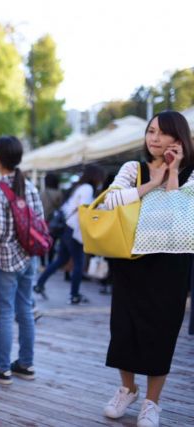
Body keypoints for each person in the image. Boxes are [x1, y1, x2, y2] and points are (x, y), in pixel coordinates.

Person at [101, 111, 194, 427]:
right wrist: (150, 182)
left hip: (171, 263)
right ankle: (127, 389)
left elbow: (179, 212)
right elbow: (109, 203)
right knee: (124, 329)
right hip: (131, 259)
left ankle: (152, 403)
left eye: (162, 133)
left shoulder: (192, 173)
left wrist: (172, 173)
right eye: (150, 131)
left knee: (161, 333)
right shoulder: (133, 168)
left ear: (178, 139)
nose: (153, 138)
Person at [0, 136, 41, 384]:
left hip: (6, 260)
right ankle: (25, 364)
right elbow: (39, 222)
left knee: (5, 312)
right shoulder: (31, 186)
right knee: (25, 309)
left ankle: (3, 368)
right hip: (30, 257)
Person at [34, 164, 105, 304]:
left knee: (60, 259)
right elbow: (84, 210)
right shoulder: (88, 189)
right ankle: (74, 294)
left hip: (68, 227)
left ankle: (39, 284)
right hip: (74, 229)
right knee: (78, 262)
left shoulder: (80, 187)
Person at [39, 173, 63, 266]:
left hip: (42, 221)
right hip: (53, 221)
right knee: (51, 243)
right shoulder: (59, 193)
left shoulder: (42, 192)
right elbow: (60, 207)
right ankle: (50, 262)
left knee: (42, 242)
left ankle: (42, 264)